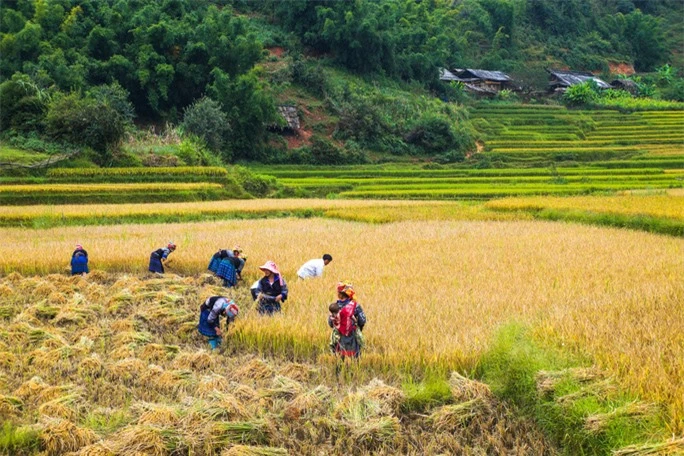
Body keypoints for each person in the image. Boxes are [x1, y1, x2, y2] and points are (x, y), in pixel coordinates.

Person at [328, 281, 366, 358]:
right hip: (352, 337)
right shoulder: (356, 306)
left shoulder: (334, 306)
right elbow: (362, 320)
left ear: (340, 294)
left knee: (339, 359)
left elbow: (330, 323)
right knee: (355, 359)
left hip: (339, 337)